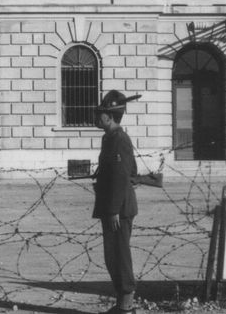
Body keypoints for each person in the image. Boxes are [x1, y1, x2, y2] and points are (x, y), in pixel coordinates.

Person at [93, 90, 141, 314]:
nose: (97, 116)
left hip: (118, 210)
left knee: (120, 256)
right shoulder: (109, 138)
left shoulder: (119, 139)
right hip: (111, 207)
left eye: (101, 113)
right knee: (111, 256)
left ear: (110, 117)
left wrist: (113, 210)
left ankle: (126, 306)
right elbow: (129, 171)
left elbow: (123, 176)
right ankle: (122, 303)